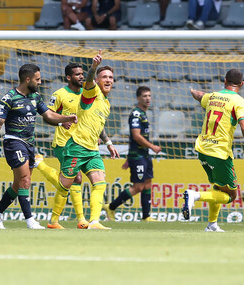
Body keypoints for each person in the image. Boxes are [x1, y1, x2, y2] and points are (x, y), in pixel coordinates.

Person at [31, 50, 120, 230]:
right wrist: (93, 67)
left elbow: (97, 125)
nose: (109, 80)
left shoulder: (106, 102)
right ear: (96, 80)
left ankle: (93, 221)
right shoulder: (91, 92)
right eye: (104, 77)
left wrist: (109, 143)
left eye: (111, 77)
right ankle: (54, 221)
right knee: (66, 185)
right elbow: (88, 82)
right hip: (76, 146)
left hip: (92, 149)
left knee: (100, 183)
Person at [0, 64, 78, 229]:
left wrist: (65, 119)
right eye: (38, 79)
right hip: (14, 142)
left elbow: (48, 115)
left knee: (18, 184)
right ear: (27, 79)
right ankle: (30, 220)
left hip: (29, 143)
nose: (40, 82)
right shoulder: (10, 97)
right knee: (25, 179)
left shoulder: (35, 96)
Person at [182, 69, 244, 232]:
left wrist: (192, 91)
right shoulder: (239, 102)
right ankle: (194, 195)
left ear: (224, 81)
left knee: (219, 187)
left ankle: (212, 224)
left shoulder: (212, 96)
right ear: (242, 84)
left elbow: (199, 95)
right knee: (231, 195)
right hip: (219, 152)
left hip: (202, 148)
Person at [34, 63, 89, 229]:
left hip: (81, 143)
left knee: (68, 181)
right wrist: (60, 123)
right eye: (77, 74)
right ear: (68, 77)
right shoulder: (59, 94)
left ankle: (55, 221)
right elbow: (47, 117)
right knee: (75, 177)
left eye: (82, 74)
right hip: (63, 143)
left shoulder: (87, 94)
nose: (81, 76)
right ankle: (80, 219)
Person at [103, 86, 162, 222]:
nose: (148, 98)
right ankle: (111, 207)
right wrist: (152, 146)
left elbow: (133, 139)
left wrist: (128, 158)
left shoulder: (143, 113)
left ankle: (146, 216)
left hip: (144, 155)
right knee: (138, 187)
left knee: (147, 184)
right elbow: (135, 136)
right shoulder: (136, 114)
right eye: (144, 96)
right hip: (138, 156)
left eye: (149, 96)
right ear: (138, 98)